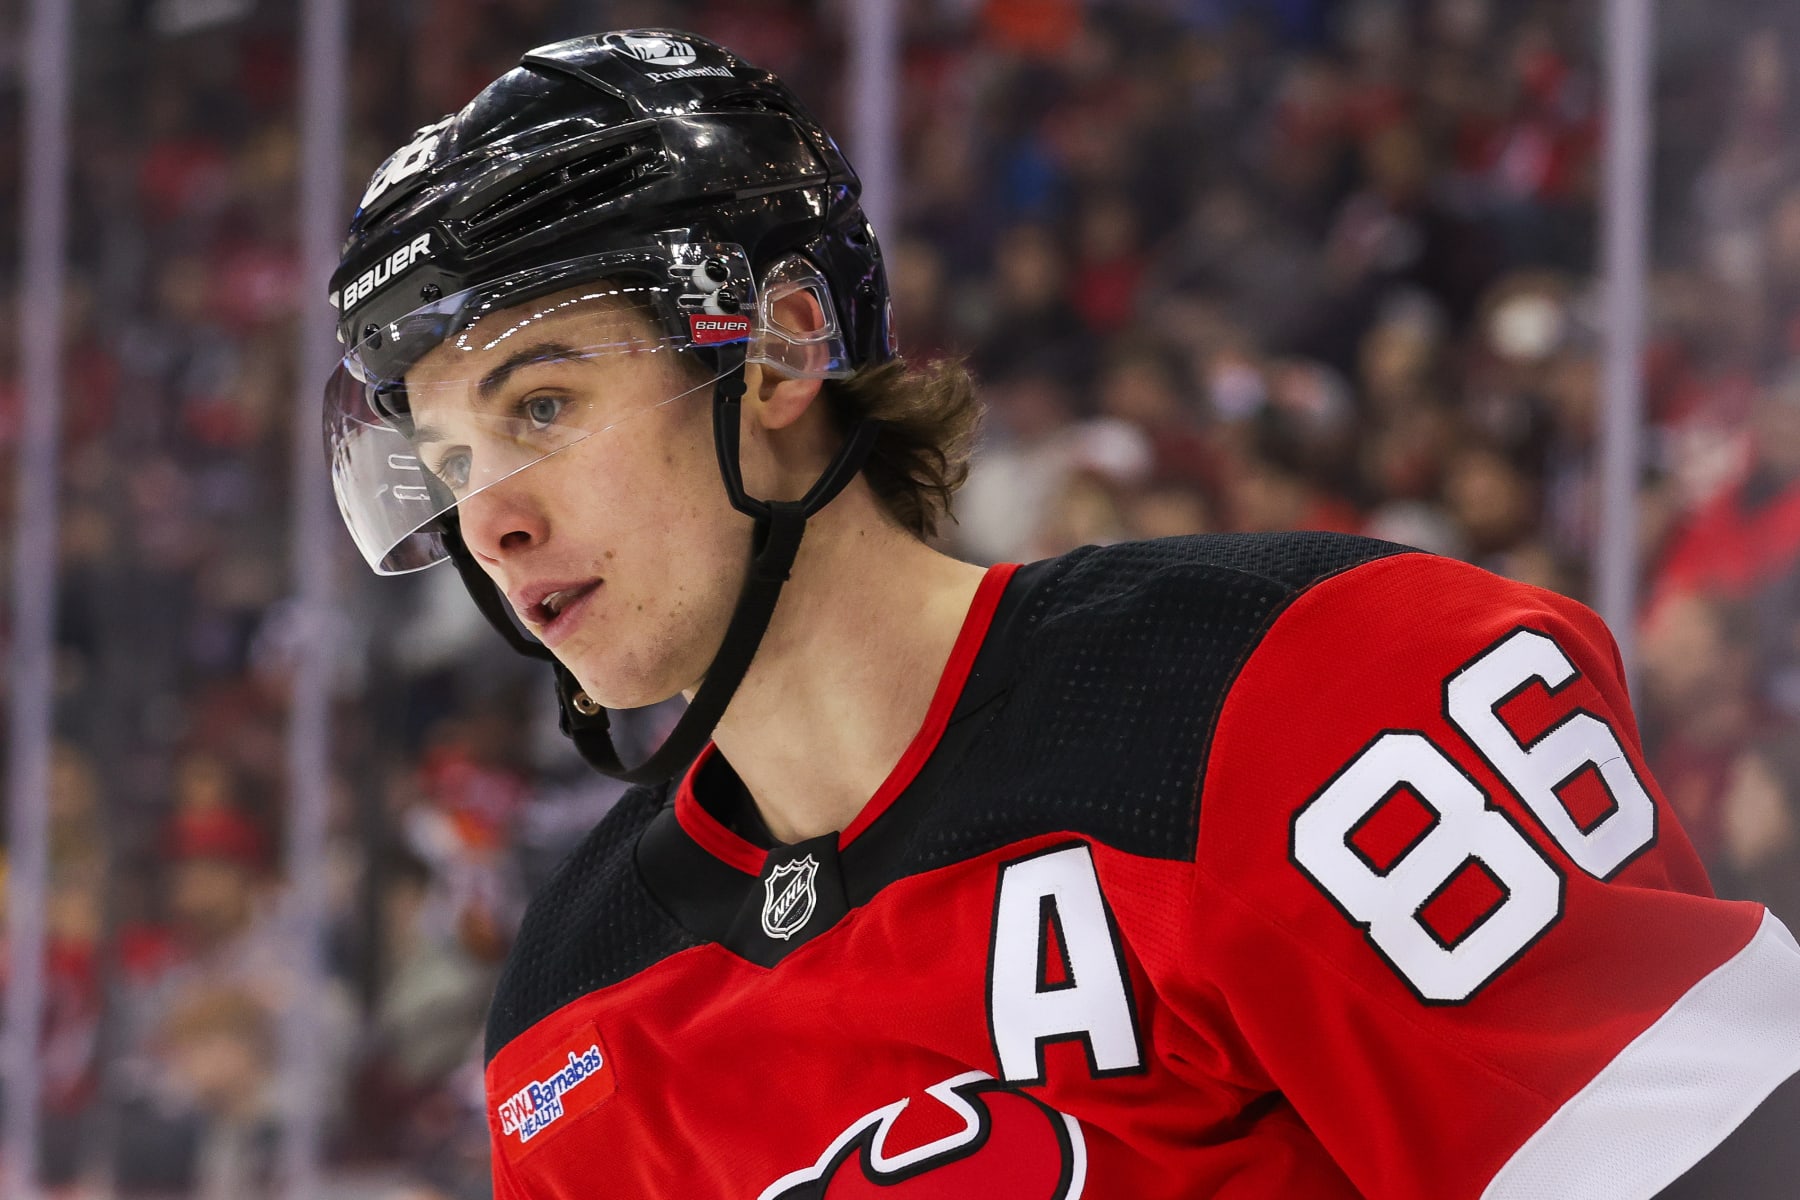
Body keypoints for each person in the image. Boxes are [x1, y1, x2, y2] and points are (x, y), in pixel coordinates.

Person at [322, 30, 1800, 1200]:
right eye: (448, 464)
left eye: (544, 405)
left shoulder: (1292, 697)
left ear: (776, 351)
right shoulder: (577, 1017)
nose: (489, 516)